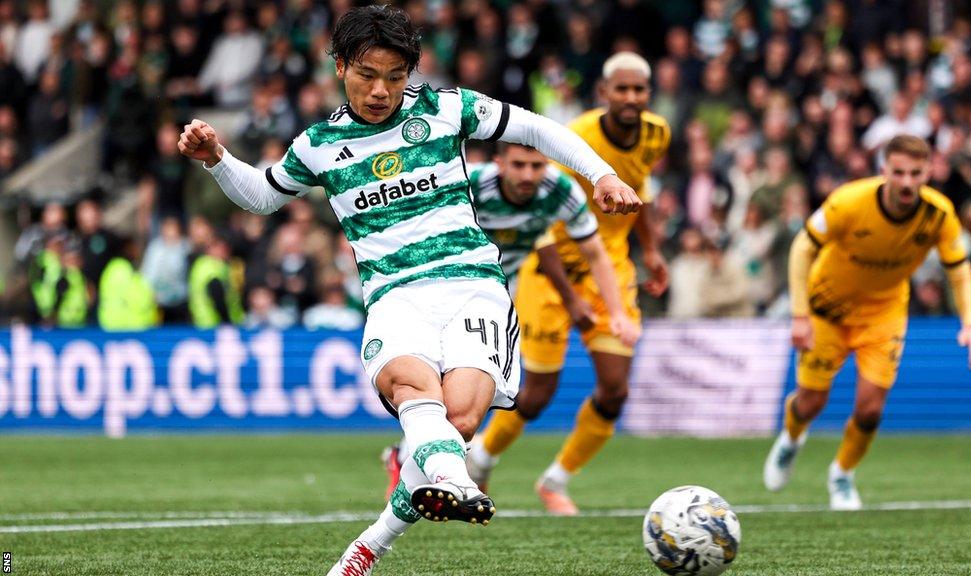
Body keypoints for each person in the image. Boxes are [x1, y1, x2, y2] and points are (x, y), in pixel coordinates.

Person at [177, 6, 639, 575]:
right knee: (411, 390)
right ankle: (452, 480)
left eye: (395, 77)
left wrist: (602, 175)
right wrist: (217, 160)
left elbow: (537, 128)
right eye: (368, 75)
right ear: (340, 66)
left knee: (460, 422)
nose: (381, 90)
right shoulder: (320, 144)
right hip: (396, 294)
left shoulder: (446, 110)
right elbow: (263, 195)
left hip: (474, 286)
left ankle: (371, 543)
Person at [466, 52, 670, 515]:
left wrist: (652, 249)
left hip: (609, 264)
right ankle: (482, 458)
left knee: (615, 388)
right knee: (536, 396)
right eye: (622, 89)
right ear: (604, 92)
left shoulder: (658, 133)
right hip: (549, 265)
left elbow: (642, 191)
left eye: (639, 90)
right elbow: (543, 226)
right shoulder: (574, 140)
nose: (631, 98)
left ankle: (556, 480)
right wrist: (571, 296)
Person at [381, 141, 642, 497]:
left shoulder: (560, 193)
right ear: (498, 163)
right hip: (439, 287)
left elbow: (596, 254)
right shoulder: (467, 181)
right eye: (518, 165)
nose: (528, 175)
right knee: (441, 386)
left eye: (537, 166)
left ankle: (407, 456)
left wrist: (616, 314)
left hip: (495, 300)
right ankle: (411, 461)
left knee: (473, 393)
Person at [763, 135, 971, 510]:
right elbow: (803, 247)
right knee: (811, 402)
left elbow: (960, 274)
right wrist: (800, 315)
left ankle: (843, 475)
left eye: (916, 173)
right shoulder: (848, 201)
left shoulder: (939, 215)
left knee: (870, 408)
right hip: (827, 308)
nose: (908, 182)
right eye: (899, 172)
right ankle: (792, 436)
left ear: (928, 173)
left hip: (883, 313)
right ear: (884, 172)